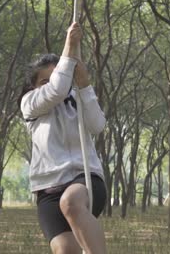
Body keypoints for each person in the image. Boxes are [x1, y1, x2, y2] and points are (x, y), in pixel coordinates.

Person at [18, 22, 107, 254]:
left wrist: (85, 86)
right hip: (47, 190)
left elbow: (97, 125)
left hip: (85, 180)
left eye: (58, 77)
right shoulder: (29, 104)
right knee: (66, 250)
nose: (51, 84)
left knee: (71, 203)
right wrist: (70, 45)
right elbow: (56, 90)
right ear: (34, 86)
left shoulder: (77, 100)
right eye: (43, 81)